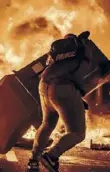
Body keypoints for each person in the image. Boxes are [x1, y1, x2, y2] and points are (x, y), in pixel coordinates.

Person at [27, 34, 88, 172]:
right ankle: (51, 157)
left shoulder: (58, 57)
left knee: (47, 124)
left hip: (44, 84)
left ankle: (33, 161)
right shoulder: (83, 54)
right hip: (62, 88)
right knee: (77, 133)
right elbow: (82, 81)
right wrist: (76, 97)